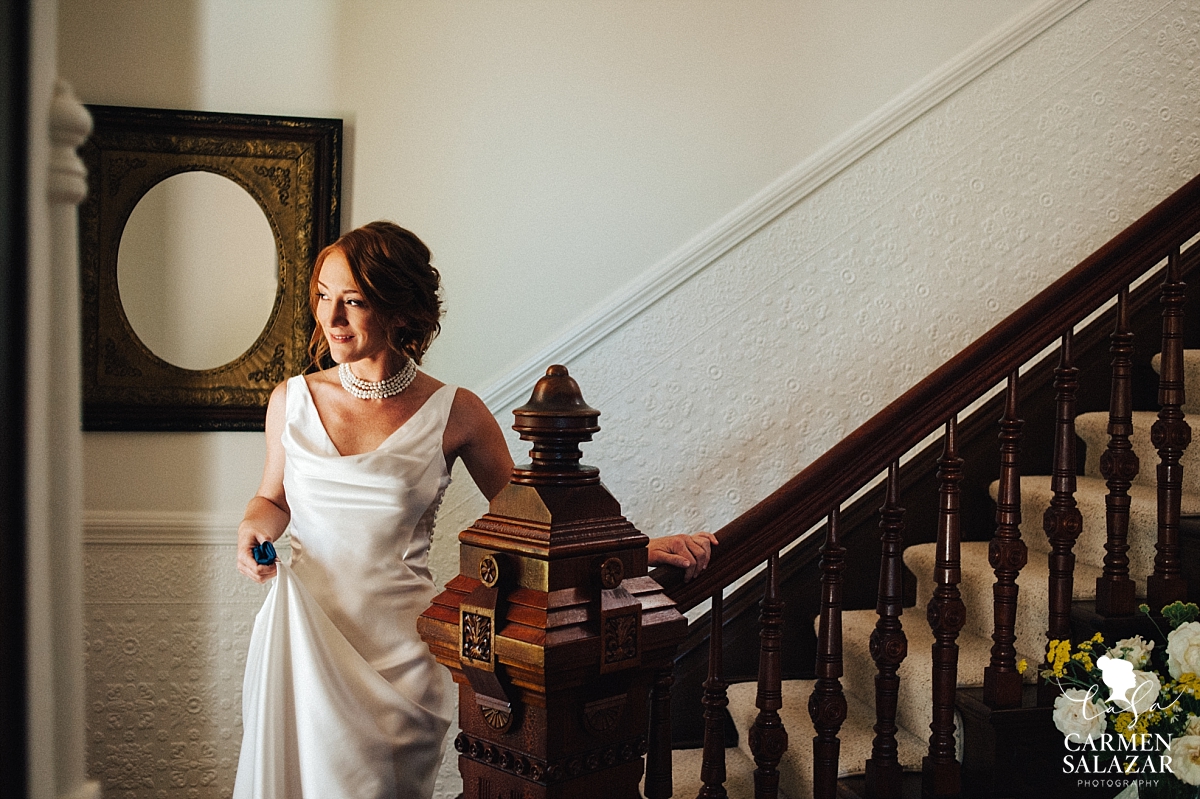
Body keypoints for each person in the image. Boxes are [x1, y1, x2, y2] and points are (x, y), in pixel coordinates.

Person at [233, 221, 717, 798]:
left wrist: (634, 551)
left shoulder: (455, 412)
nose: (330, 318)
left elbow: (535, 521)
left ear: (401, 311)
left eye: (353, 301)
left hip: (400, 659)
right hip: (302, 640)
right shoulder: (292, 400)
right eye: (322, 296)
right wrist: (250, 531)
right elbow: (272, 500)